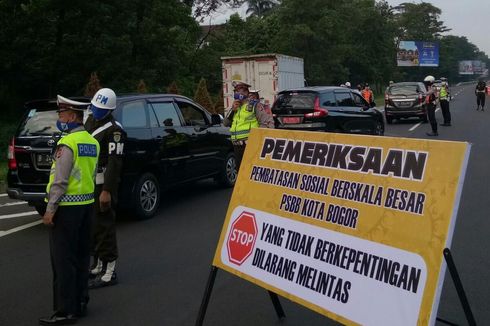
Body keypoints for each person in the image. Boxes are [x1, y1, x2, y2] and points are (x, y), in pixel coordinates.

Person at [39, 96, 99, 325]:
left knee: (63, 261)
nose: (59, 119)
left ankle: (65, 310)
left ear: (72, 116)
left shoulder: (68, 143)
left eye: (61, 115)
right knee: (82, 256)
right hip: (86, 205)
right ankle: (81, 302)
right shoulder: (92, 141)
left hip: (66, 208)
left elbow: (60, 180)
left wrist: (50, 209)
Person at [84, 88, 126, 289]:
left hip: (103, 182)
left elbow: (114, 162)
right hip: (89, 181)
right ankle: (98, 264)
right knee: (94, 225)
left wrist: (107, 190)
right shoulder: (90, 121)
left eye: (101, 108)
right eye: (96, 107)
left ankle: (109, 271)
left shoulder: (114, 130)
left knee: (105, 226)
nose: (97, 111)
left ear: (109, 110)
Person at [223, 81, 274, 168]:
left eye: (239, 91)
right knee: (241, 173)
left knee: (251, 172)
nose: (237, 93)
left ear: (246, 92)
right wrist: (232, 110)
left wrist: (257, 140)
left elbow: (267, 123)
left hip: (250, 145)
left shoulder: (254, 105)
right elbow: (225, 123)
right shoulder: (236, 107)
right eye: (235, 91)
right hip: (237, 146)